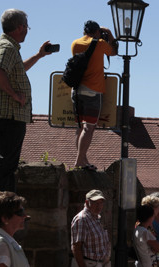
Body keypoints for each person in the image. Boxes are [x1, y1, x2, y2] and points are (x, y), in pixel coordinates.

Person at [0, 9, 54, 220]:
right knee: (5, 163)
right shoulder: (7, 47)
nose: (27, 31)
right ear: (20, 27)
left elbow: (17, 69)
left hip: (6, 113)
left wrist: (39, 55)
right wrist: (15, 95)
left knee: (8, 164)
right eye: (26, 27)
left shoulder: (1, 45)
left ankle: (8, 208)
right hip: (10, 113)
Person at [70, 20, 118, 170]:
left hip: (76, 90)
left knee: (80, 128)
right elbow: (114, 52)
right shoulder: (100, 44)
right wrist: (109, 33)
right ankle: (79, 161)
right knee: (88, 128)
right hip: (92, 90)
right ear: (97, 32)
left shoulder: (75, 43)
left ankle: (83, 160)